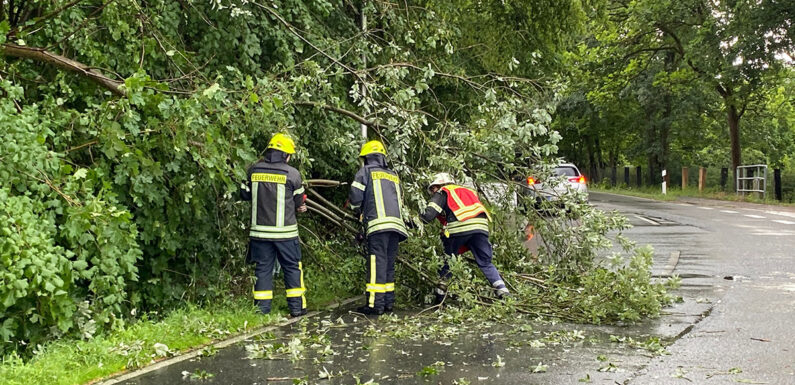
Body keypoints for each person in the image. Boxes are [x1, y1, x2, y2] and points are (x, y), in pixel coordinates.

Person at [240, 133, 308, 317]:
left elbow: (245, 194)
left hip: (260, 233)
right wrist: (301, 206)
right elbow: (298, 202)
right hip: (285, 233)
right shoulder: (292, 174)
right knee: (292, 267)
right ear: (286, 155)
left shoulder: (254, 170)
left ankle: (261, 310)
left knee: (262, 269)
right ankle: (297, 308)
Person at [419, 173, 510, 303]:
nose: (433, 192)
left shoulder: (443, 191)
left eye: (433, 188)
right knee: (485, 262)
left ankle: (440, 295)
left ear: (440, 184)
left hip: (460, 227)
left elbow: (428, 215)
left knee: (450, 259)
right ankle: (503, 291)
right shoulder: (468, 191)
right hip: (481, 228)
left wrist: (410, 222)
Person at [348, 140, 408, 315]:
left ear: (366, 157)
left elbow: (355, 197)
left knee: (376, 264)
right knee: (388, 264)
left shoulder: (365, 172)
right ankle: (388, 302)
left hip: (378, 225)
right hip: (396, 226)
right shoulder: (393, 175)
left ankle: (375, 304)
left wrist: (357, 211)